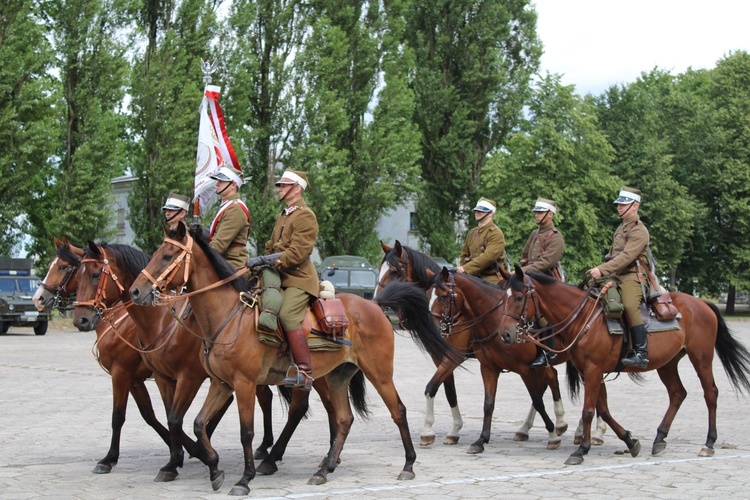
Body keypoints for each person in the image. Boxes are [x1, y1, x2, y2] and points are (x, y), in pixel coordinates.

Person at [246, 169, 318, 391]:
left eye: (283, 185)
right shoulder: (284, 215)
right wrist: (261, 259)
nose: (279, 188)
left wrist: (271, 260)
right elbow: (271, 244)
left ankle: (305, 372)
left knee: (286, 315)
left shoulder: (306, 215)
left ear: (296, 188)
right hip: (279, 276)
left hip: (299, 279)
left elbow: (298, 252)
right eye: (279, 185)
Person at [587, 186, 650, 369]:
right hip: (615, 275)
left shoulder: (639, 230)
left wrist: (602, 269)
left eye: (624, 204)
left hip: (632, 276)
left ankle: (641, 353)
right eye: (619, 204)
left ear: (635, 206)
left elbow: (626, 257)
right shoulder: (622, 228)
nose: (619, 207)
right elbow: (614, 255)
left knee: (630, 306)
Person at [520, 197, 565, 367]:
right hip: (531, 279)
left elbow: (546, 263)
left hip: (547, 282)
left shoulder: (556, 237)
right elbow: (525, 256)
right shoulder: (534, 234)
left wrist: (523, 270)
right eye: (536, 212)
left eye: (540, 212)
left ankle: (547, 353)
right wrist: (518, 269)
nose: (536, 215)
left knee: (543, 314)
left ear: (550, 214)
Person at [207, 166, 251, 271]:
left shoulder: (235, 209)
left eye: (221, 181)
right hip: (223, 261)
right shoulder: (228, 206)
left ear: (233, 185)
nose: (217, 184)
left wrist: (197, 255)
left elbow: (219, 245)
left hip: (232, 265)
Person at [457, 197, 506, 284]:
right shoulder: (472, 233)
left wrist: (466, 269)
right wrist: (463, 270)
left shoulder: (495, 233)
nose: (477, 213)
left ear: (491, 213)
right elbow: (464, 255)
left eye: (481, 211)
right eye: (476, 210)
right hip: (471, 275)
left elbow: (488, 258)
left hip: (490, 277)